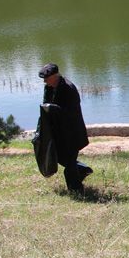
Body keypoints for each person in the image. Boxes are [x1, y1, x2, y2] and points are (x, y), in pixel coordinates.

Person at [38, 63, 91, 193]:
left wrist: (54, 109)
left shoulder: (69, 88)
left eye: (47, 78)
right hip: (58, 132)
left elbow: (72, 113)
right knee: (60, 158)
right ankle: (83, 170)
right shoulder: (49, 88)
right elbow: (46, 108)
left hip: (72, 132)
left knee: (70, 163)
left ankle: (76, 190)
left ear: (55, 76)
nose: (45, 81)